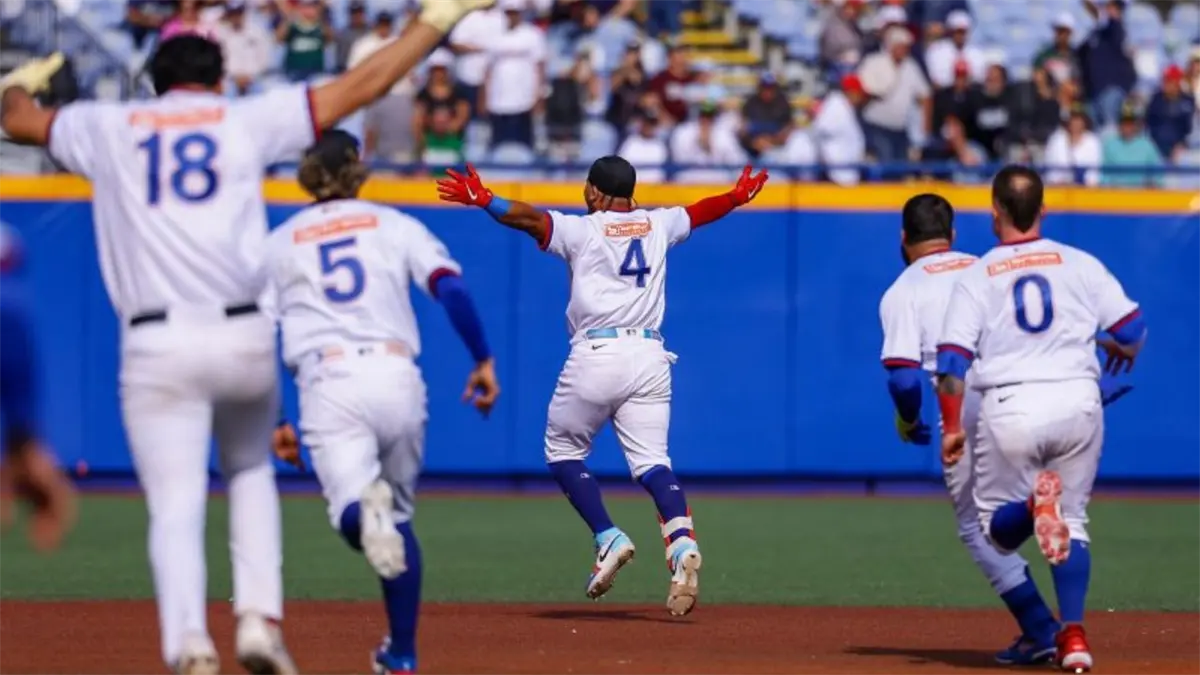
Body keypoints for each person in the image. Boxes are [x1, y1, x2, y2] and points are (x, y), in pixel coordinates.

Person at [0, 0, 493, 669]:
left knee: (174, 503)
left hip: (156, 344)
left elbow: (18, 118)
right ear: (220, 77)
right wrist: (437, 20)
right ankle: (260, 622)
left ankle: (188, 644)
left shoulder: (107, 125)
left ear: (154, 78)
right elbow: (366, 85)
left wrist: (24, 81)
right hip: (243, 333)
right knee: (252, 474)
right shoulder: (243, 119)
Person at [435, 158, 768, 616]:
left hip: (598, 352)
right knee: (653, 462)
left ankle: (608, 537)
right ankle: (681, 544)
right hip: (651, 356)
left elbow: (529, 219)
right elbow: (700, 211)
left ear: (594, 191)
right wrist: (736, 196)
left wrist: (484, 199)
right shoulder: (657, 223)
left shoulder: (583, 231)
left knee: (562, 451)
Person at [267, 131, 497, 675]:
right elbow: (452, 289)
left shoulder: (279, 242)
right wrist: (482, 358)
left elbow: (255, 335)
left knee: (357, 510)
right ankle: (402, 656)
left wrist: (275, 418)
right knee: (396, 518)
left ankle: (362, 519)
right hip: (397, 376)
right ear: (357, 170)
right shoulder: (395, 225)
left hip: (330, 380)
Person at [881, 193, 1128, 668]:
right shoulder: (987, 266)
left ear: (903, 238)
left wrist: (908, 419)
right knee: (1057, 517)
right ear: (952, 235)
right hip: (1036, 391)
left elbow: (904, 377)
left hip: (967, 400)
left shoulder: (904, 289)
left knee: (979, 529)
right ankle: (1058, 617)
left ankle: (1040, 628)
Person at [936, 165, 1146, 674]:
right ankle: (1074, 639)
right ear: (1044, 210)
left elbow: (950, 362)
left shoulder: (978, 274)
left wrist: (952, 427)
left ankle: (1033, 507)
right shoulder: (1080, 263)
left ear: (995, 212)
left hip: (1012, 407)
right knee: (1073, 522)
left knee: (993, 532)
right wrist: (1118, 345)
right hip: (1079, 401)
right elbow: (1133, 326)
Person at [0, 221, 77, 554]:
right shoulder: (16, 298)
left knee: (25, 444)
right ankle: (53, 502)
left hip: (13, 338)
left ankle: (48, 497)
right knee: (26, 441)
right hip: (16, 336)